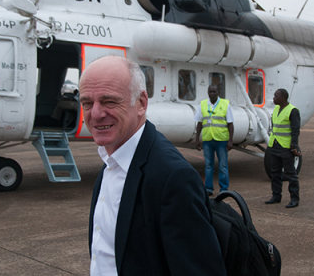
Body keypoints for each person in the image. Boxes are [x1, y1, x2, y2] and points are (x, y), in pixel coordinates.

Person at [81, 56, 225, 276]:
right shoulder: (112, 160)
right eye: (87, 103)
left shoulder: (172, 177)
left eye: (109, 101)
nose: (96, 114)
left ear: (141, 103)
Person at [264, 88, 302, 208]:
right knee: (275, 173)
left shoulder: (293, 111)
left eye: (276, 96)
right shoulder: (275, 109)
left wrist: (294, 146)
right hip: (274, 145)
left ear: (283, 98)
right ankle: (276, 196)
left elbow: (295, 130)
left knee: (291, 174)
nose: (273, 98)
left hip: (286, 147)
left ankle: (294, 198)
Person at [194, 84, 234, 196]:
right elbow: (199, 123)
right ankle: (208, 188)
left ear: (218, 92)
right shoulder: (202, 105)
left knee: (223, 165)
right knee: (208, 165)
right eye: (210, 91)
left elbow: (230, 123)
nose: (212, 93)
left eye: (214, 91)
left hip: (221, 139)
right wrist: (197, 139)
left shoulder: (225, 104)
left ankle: (224, 188)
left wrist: (230, 140)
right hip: (207, 139)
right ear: (208, 92)